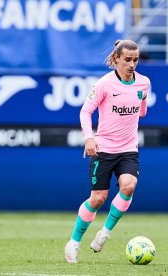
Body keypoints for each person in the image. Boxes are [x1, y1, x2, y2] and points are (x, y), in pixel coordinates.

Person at [65, 39, 150, 263]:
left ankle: (105, 233)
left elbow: (141, 112)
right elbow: (85, 112)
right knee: (98, 198)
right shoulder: (103, 84)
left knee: (129, 186)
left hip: (128, 149)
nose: (132, 64)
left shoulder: (143, 83)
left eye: (136, 60)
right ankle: (73, 242)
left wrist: (137, 105)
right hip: (104, 149)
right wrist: (89, 138)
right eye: (128, 60)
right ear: (116, 59)